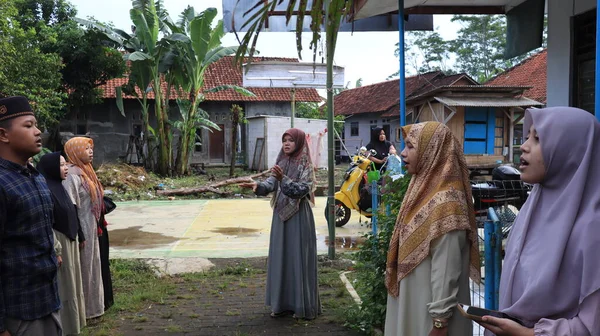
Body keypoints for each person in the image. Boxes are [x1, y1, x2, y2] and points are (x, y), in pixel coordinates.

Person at [480, 107, 600, 336]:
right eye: (527, 137)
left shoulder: (592, 228)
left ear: (570, 150)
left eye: (538, 139)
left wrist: (525, 334)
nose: (523, 146)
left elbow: (592, 325)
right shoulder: (531, 209)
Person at [384, 121, 481, 336]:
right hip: (416, 305)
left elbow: (446, 267)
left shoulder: (448, 202)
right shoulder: (422, 188)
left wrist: (439, 321)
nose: (402, 152)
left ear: (432, 149)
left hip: (431, 319)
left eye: (410, 146)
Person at [239, 128, 320, 320]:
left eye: (291, 140)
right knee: (281, 258)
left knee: (297, 258)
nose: (287, 143)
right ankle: (281, 304)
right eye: (284, 140)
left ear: (299, 142)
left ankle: (300, 305)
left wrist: (284, 178)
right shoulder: (281, 160)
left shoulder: (305, 164)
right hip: (280, 216)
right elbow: (271, 183)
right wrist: (258, 186)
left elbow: (302, 189)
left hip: (299, 216)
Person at [0, 96, 62, 336]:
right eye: (28, 126)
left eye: (36, 125)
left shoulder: (34, 176)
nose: (38, 132)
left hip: (48, 301)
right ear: (4, 135)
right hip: (19, 313)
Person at [38, 152, 87, 335]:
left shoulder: (59, 187)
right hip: (59, 243)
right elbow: (47, 222)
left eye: (65, 164)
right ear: (50, 168)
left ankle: (75, 325)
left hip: (70, 241)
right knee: (64, 285)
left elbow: (72, 211)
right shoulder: (45, 189)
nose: (65, 168)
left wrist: (79, 235)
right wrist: (56, 248)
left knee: (73, 283)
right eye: (61, 165)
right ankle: (65, 327)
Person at [62, 137, 111, 319]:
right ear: (75, 151)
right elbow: (70, 206)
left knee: (93, 265)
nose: (91, 152)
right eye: (86, 149)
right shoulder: (71, 174)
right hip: (82, 228)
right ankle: (85, 311)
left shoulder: (86, 171)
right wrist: (80, 234)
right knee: (84, 267)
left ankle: (95, 307)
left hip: (92, 226)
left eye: (91, 148)